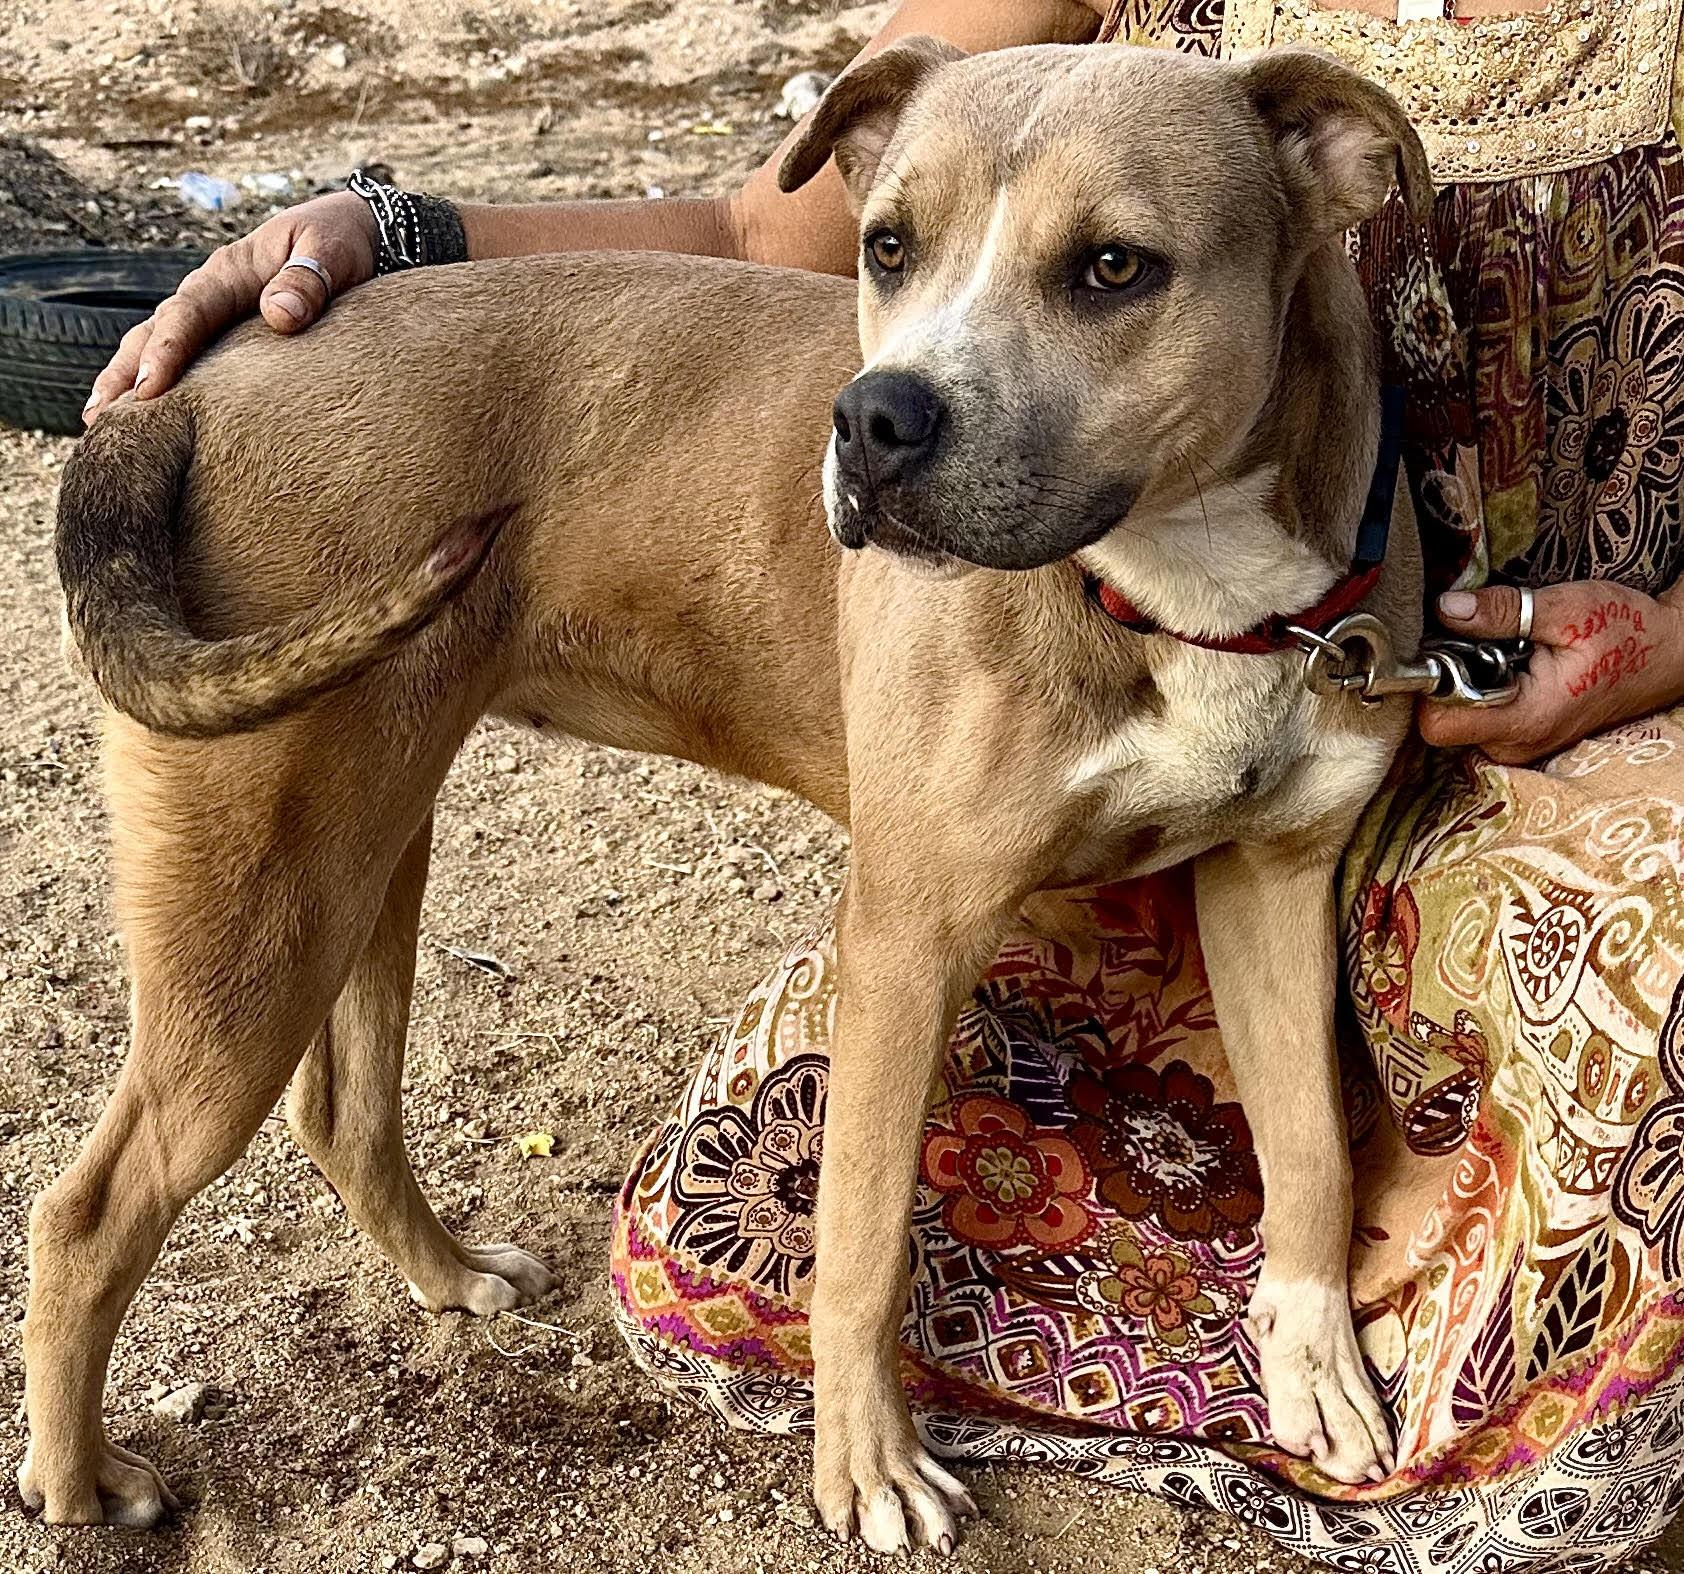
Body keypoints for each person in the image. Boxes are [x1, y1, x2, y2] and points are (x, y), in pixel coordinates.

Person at [101, 3, 1684, 1569]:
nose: (911, 376)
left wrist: (1307, 1264)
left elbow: (1269, 869)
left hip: (1478, 689)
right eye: (895, 253)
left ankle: (1301, 1291)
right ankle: (72, 1379)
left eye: (1106, 269)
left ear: (1336, 177)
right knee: (280, 994)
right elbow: (751, 227)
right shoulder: (966, 472)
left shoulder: (1284, 212)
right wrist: (392, 225)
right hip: (942, 662)